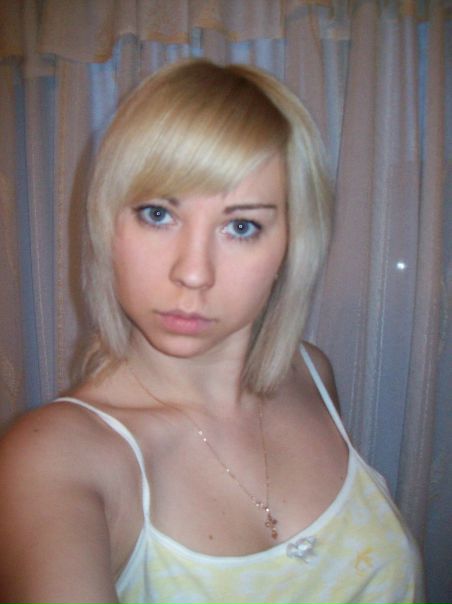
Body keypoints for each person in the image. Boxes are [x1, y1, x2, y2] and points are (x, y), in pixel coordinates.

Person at [0, 59, 423, 604]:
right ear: (107, 224)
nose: (193, 273)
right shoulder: (53, 458)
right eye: (158, 214)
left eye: (241, 226)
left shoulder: (311, 373)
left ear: (291, 244)